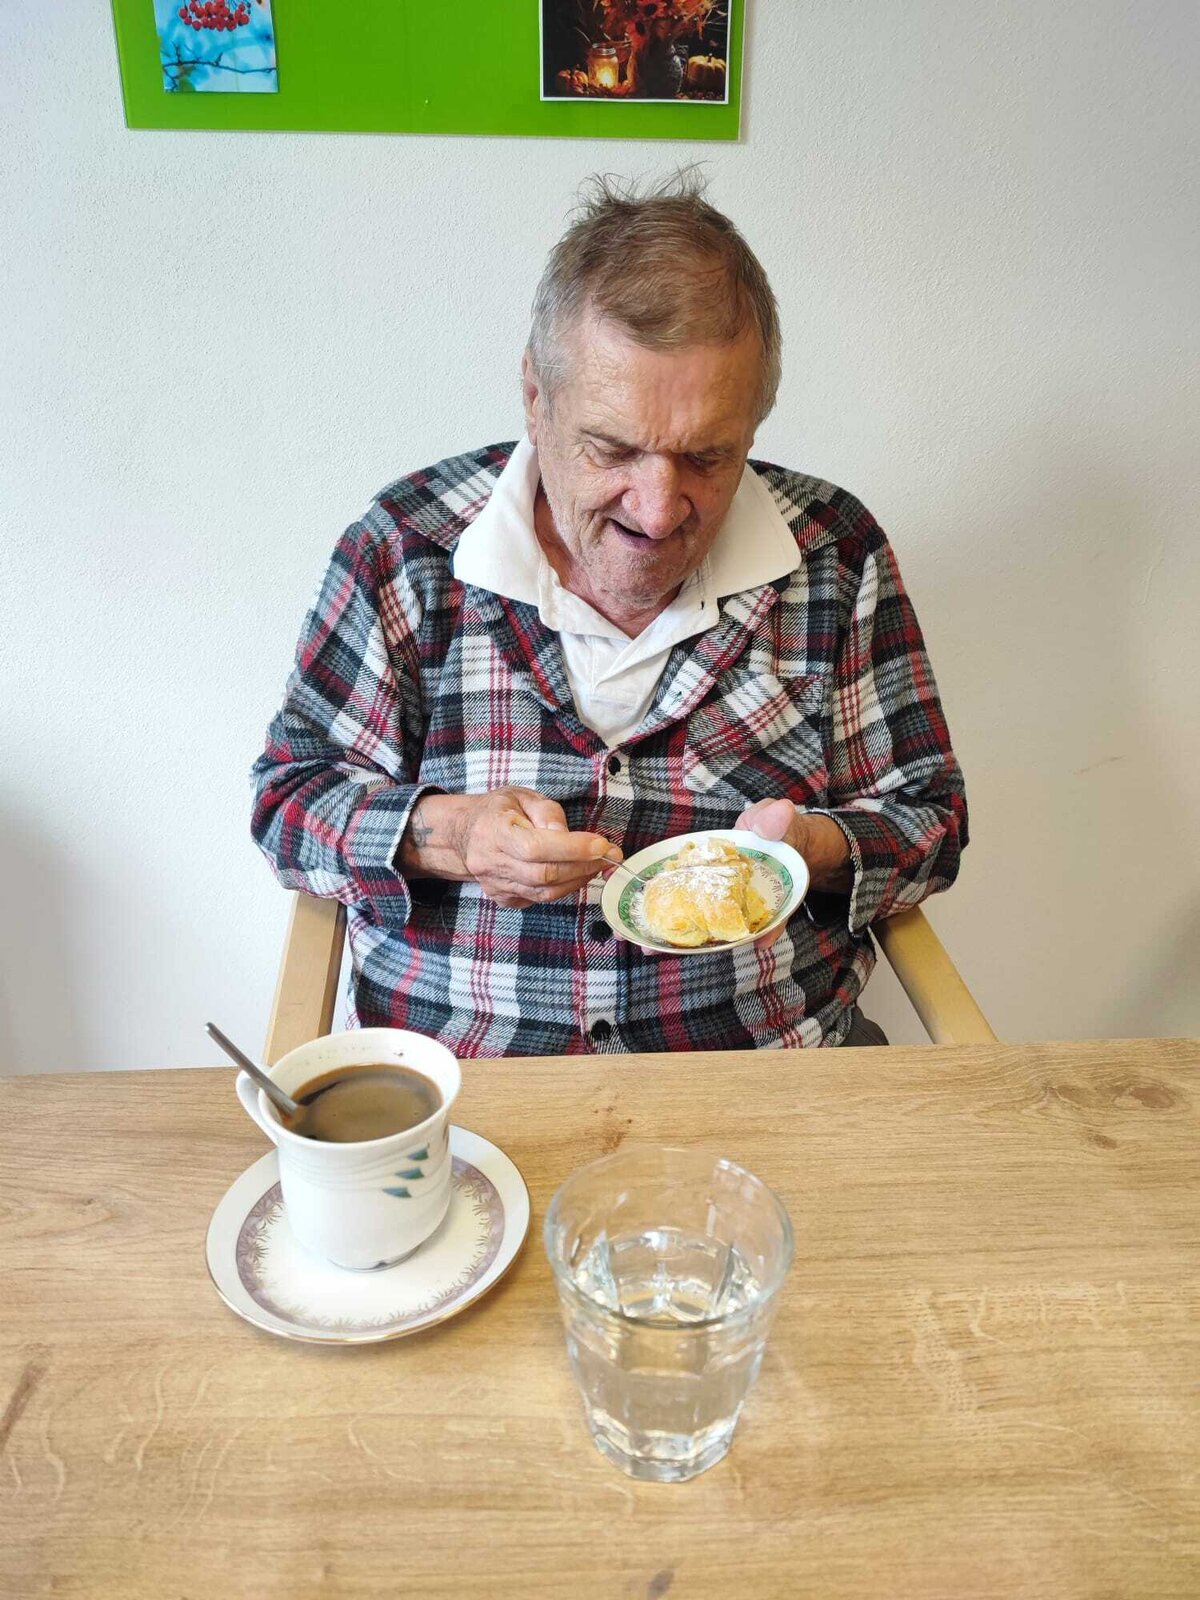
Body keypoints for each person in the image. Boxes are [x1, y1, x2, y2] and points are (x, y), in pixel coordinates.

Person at [251, 172, 967, 1056]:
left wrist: (809, 850)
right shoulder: (406, 547)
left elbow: (930, 821)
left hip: (765, 1072)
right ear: (535, 396)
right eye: (612, 449)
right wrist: (451, 835)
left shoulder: (832, 553)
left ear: (755, 423)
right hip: (464, 1077)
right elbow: (288, 803)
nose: (658, 511)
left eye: (708, 456)